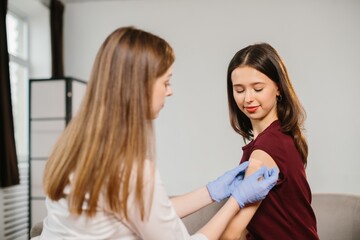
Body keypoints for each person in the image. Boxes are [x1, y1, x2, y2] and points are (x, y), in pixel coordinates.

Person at [34, 27, 278, 240]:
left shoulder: (76, 144)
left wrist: (211, 191)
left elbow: (146, 213)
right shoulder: (129, 168)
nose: (169, 91)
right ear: (140, 86)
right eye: (165, 82)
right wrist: (237, 199)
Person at [220, 43, 319, 240]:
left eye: (257, 89)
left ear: (279, 88)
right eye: (239, 90)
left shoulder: (267, 148)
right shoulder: (277, 137)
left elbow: (232, 233)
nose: (248, 98)